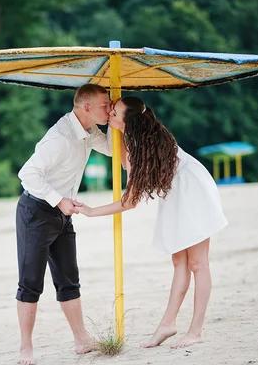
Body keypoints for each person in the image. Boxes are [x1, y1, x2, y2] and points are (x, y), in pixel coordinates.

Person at [76, 96, 228, 349]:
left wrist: (91, 212)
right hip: (176, 193)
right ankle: (168, 324)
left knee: (198, 263)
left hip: (192, 190)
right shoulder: (134, 139)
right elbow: (127, 165)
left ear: (130, 120)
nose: (110, 114)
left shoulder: (145, 143)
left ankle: (196, 330)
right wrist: (117, 133)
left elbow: (130, 201)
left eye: (114, 112)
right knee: (179, 260)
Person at [15, 84, 112, 365]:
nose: (108, 109)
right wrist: (59, 201)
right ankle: (25, 347)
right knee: (31, 282)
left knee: (69, 279)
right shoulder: (59, 137)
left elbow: (111, 149)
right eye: (105, 105)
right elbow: (27, 173)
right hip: (36, 211)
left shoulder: (89, 131)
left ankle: (81, 341)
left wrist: (120, 120)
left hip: (62, 212)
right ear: (86, 108)